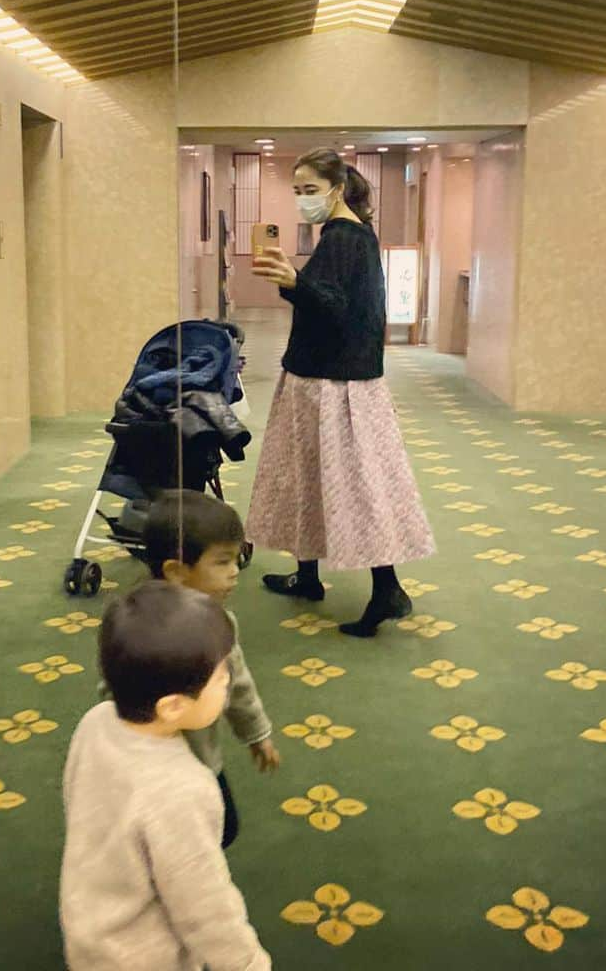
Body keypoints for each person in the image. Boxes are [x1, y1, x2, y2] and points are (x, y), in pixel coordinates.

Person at [248, 147, 435, 637]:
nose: (302, 200)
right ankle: (309, 575)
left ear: (336, 189)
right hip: (329, 377)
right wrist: (296, 283)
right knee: (310, 476)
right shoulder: (348, 235)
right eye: (297, 192)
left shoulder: (344, 237)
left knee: (352, 485)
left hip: (333, 384)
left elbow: (337, 308)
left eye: (310, 191)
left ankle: (387, 587)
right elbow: (334, 302)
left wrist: (295, 282)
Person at [60, 582, 272, 971]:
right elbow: (204, 907)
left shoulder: (96, 723)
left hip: (88, 927)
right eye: (222, 676)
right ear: (173, 706)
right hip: (146, 956)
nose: (230, 680)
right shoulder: (183, 789)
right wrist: (248, 964)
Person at [140, 489, 279, 846]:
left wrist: (257, 733)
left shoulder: (221, 623)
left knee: (220, 830)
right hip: (145, 768)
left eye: (236, 561)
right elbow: (112, 696)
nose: (235, 573)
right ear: (176, 571)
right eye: (222, 562)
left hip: (202, 760)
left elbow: (239, 684)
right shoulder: (135, 627)